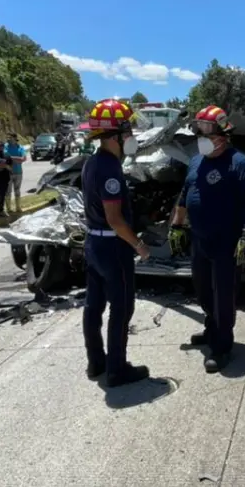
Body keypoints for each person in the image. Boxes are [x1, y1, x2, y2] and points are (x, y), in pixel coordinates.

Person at [168, 105, 245, 373]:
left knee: (223, 296)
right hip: (200, 240)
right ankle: (212, 330)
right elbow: (186, 194)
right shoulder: (197, 161)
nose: (201, 137)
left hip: (227, 242)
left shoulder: (240, 163)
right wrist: (177, 225)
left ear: (223, 135)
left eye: (207, 132)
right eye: (199, 131)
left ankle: (222, 347)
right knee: (203, 291)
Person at [81, 99, 151, 386]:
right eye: (128, 131)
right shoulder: (110, 168)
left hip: (94, 245)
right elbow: (115, 219)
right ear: (115, 136)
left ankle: (96, 362)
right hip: (113, 247)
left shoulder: (92, 162)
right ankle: (117, 370)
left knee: (93, 306)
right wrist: (138, 245)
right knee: (121, 308)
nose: (132, 137)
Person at [4, 133, 27, 213]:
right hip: (8, 172)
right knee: (8, 191)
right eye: (7, 137)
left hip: (18, 172)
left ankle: (18, 207)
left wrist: (11, 158)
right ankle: (9, 209)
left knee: (17, 190)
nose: (8, 138)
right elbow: (6, 157)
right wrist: (18, 159)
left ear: (14, 138)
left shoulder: (20, 147)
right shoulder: (5, 146)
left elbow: (24, 158)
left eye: (10, 137)